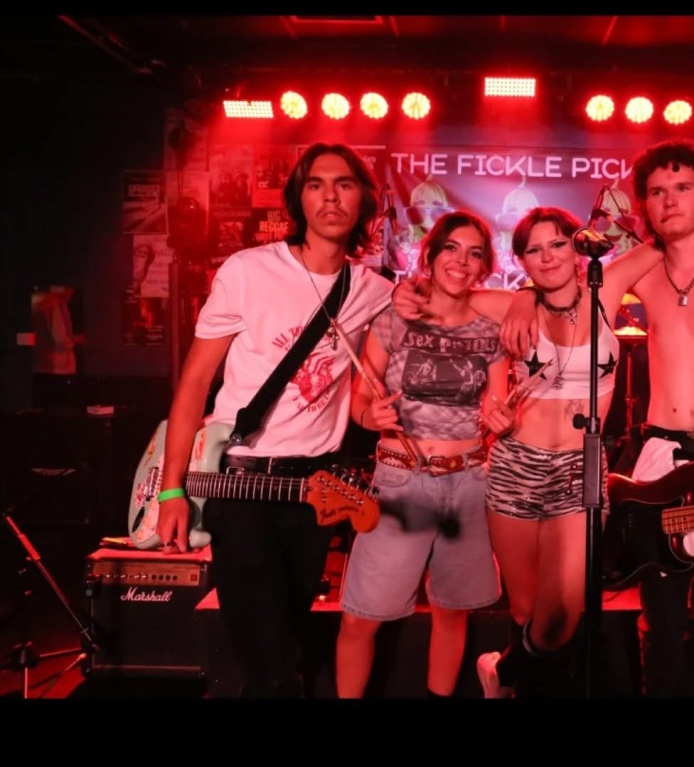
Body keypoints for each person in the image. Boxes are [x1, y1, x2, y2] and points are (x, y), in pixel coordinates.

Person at [499, 140, 694, 698]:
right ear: (644, 204)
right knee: (661, 615)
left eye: (682, 188)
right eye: (657, 192)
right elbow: (568, 292)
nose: (670, 200)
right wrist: (525, 292)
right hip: (659, 455)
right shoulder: (643, 269)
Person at [156, 142, 395, 698]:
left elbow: (453, 305)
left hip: (315, 492)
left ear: (363, 201)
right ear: (298, 200)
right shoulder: (248, 271)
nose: (330, 196)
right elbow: (194, 382)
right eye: (316, 184)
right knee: (270, 660)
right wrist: (171, 490)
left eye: (344, 184)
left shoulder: (374, 291)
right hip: (242, 484)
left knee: (285, 647)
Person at [473, 207, 664, 697]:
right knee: (525, 610)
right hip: (517, 464)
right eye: (533, 250)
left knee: (560, 614)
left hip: (580, 468)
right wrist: (523, 295)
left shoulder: (606, 286)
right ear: (521, 260)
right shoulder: (509, 304)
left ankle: (500, 672)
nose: (548, 257)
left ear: (577, 248)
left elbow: (665, 239)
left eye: (558, 243)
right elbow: (442, 296)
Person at [334, 211, 513, 699]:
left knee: (452, 613)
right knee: (359, 618)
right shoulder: (395, 317)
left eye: (475, 253)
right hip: (400, 480)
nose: (462, 261)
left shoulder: (491, 330)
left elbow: (497, 405)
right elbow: (359, 397)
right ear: (430, 256)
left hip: (467, 480)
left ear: (484, 267)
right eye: (451, 248)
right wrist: (369, 415)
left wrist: (503, 420)